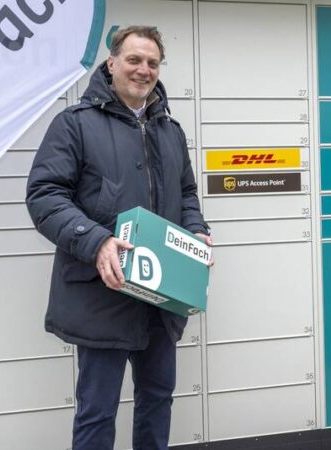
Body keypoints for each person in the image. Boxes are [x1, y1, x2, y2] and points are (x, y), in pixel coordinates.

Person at [26, 26, 210, 450]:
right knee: (97, 410)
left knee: (157, 399)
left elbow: (186, 194)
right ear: (111, 63)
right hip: (101, 294)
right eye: (133, 60)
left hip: (162, 296)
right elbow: (44, 195)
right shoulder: (74, 124)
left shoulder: (170, 130)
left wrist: (198, 232)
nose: (143, 70)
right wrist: (96, 242)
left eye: (152, 62)